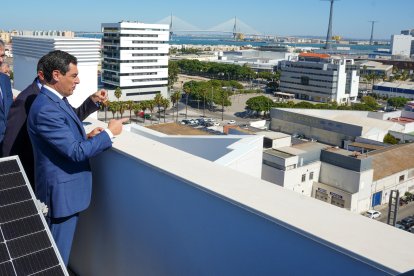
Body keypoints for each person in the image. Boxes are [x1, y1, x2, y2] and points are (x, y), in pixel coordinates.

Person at [27, 50, 128, 265]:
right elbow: (76, 152)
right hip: (60, 195)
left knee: (56, 253)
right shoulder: (46, 109)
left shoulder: (54, 101)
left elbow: (68, 127)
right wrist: (111, 132)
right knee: (55, 258)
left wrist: (86, 132)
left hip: (65, 193)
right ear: (56, 75)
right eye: (73, 76)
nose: (78, 80)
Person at [2, 55, 108, 187]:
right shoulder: (27, 99)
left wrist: (92, 102)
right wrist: (13, 186)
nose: (77, 81)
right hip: (34, 179)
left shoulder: (55, 94)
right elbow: (10, 144)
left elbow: (66, 120)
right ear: (48, 75)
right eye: (73, 76)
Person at [0, 40, 13, 144]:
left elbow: (9, 108)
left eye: (2, 56)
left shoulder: (5, 79)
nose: (1, 60)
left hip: (6, 141)